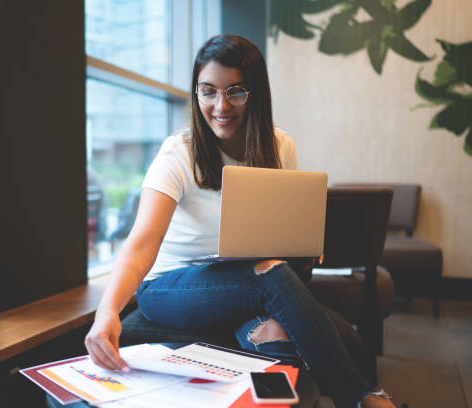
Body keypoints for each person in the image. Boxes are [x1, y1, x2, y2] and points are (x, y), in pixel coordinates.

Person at [84, 35, 395, 408]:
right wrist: (107, 313)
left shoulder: (281, 147)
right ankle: (360, 396)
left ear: (256, 93)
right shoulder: (177, 154)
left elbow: (278, 228)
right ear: (196, 93)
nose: (221, 106)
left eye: (236, 92)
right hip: (169, 287)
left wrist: (303, 248)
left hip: (246, 284)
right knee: (270, 272)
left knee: (275, 332)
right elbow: (141, 243)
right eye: (208, 91)